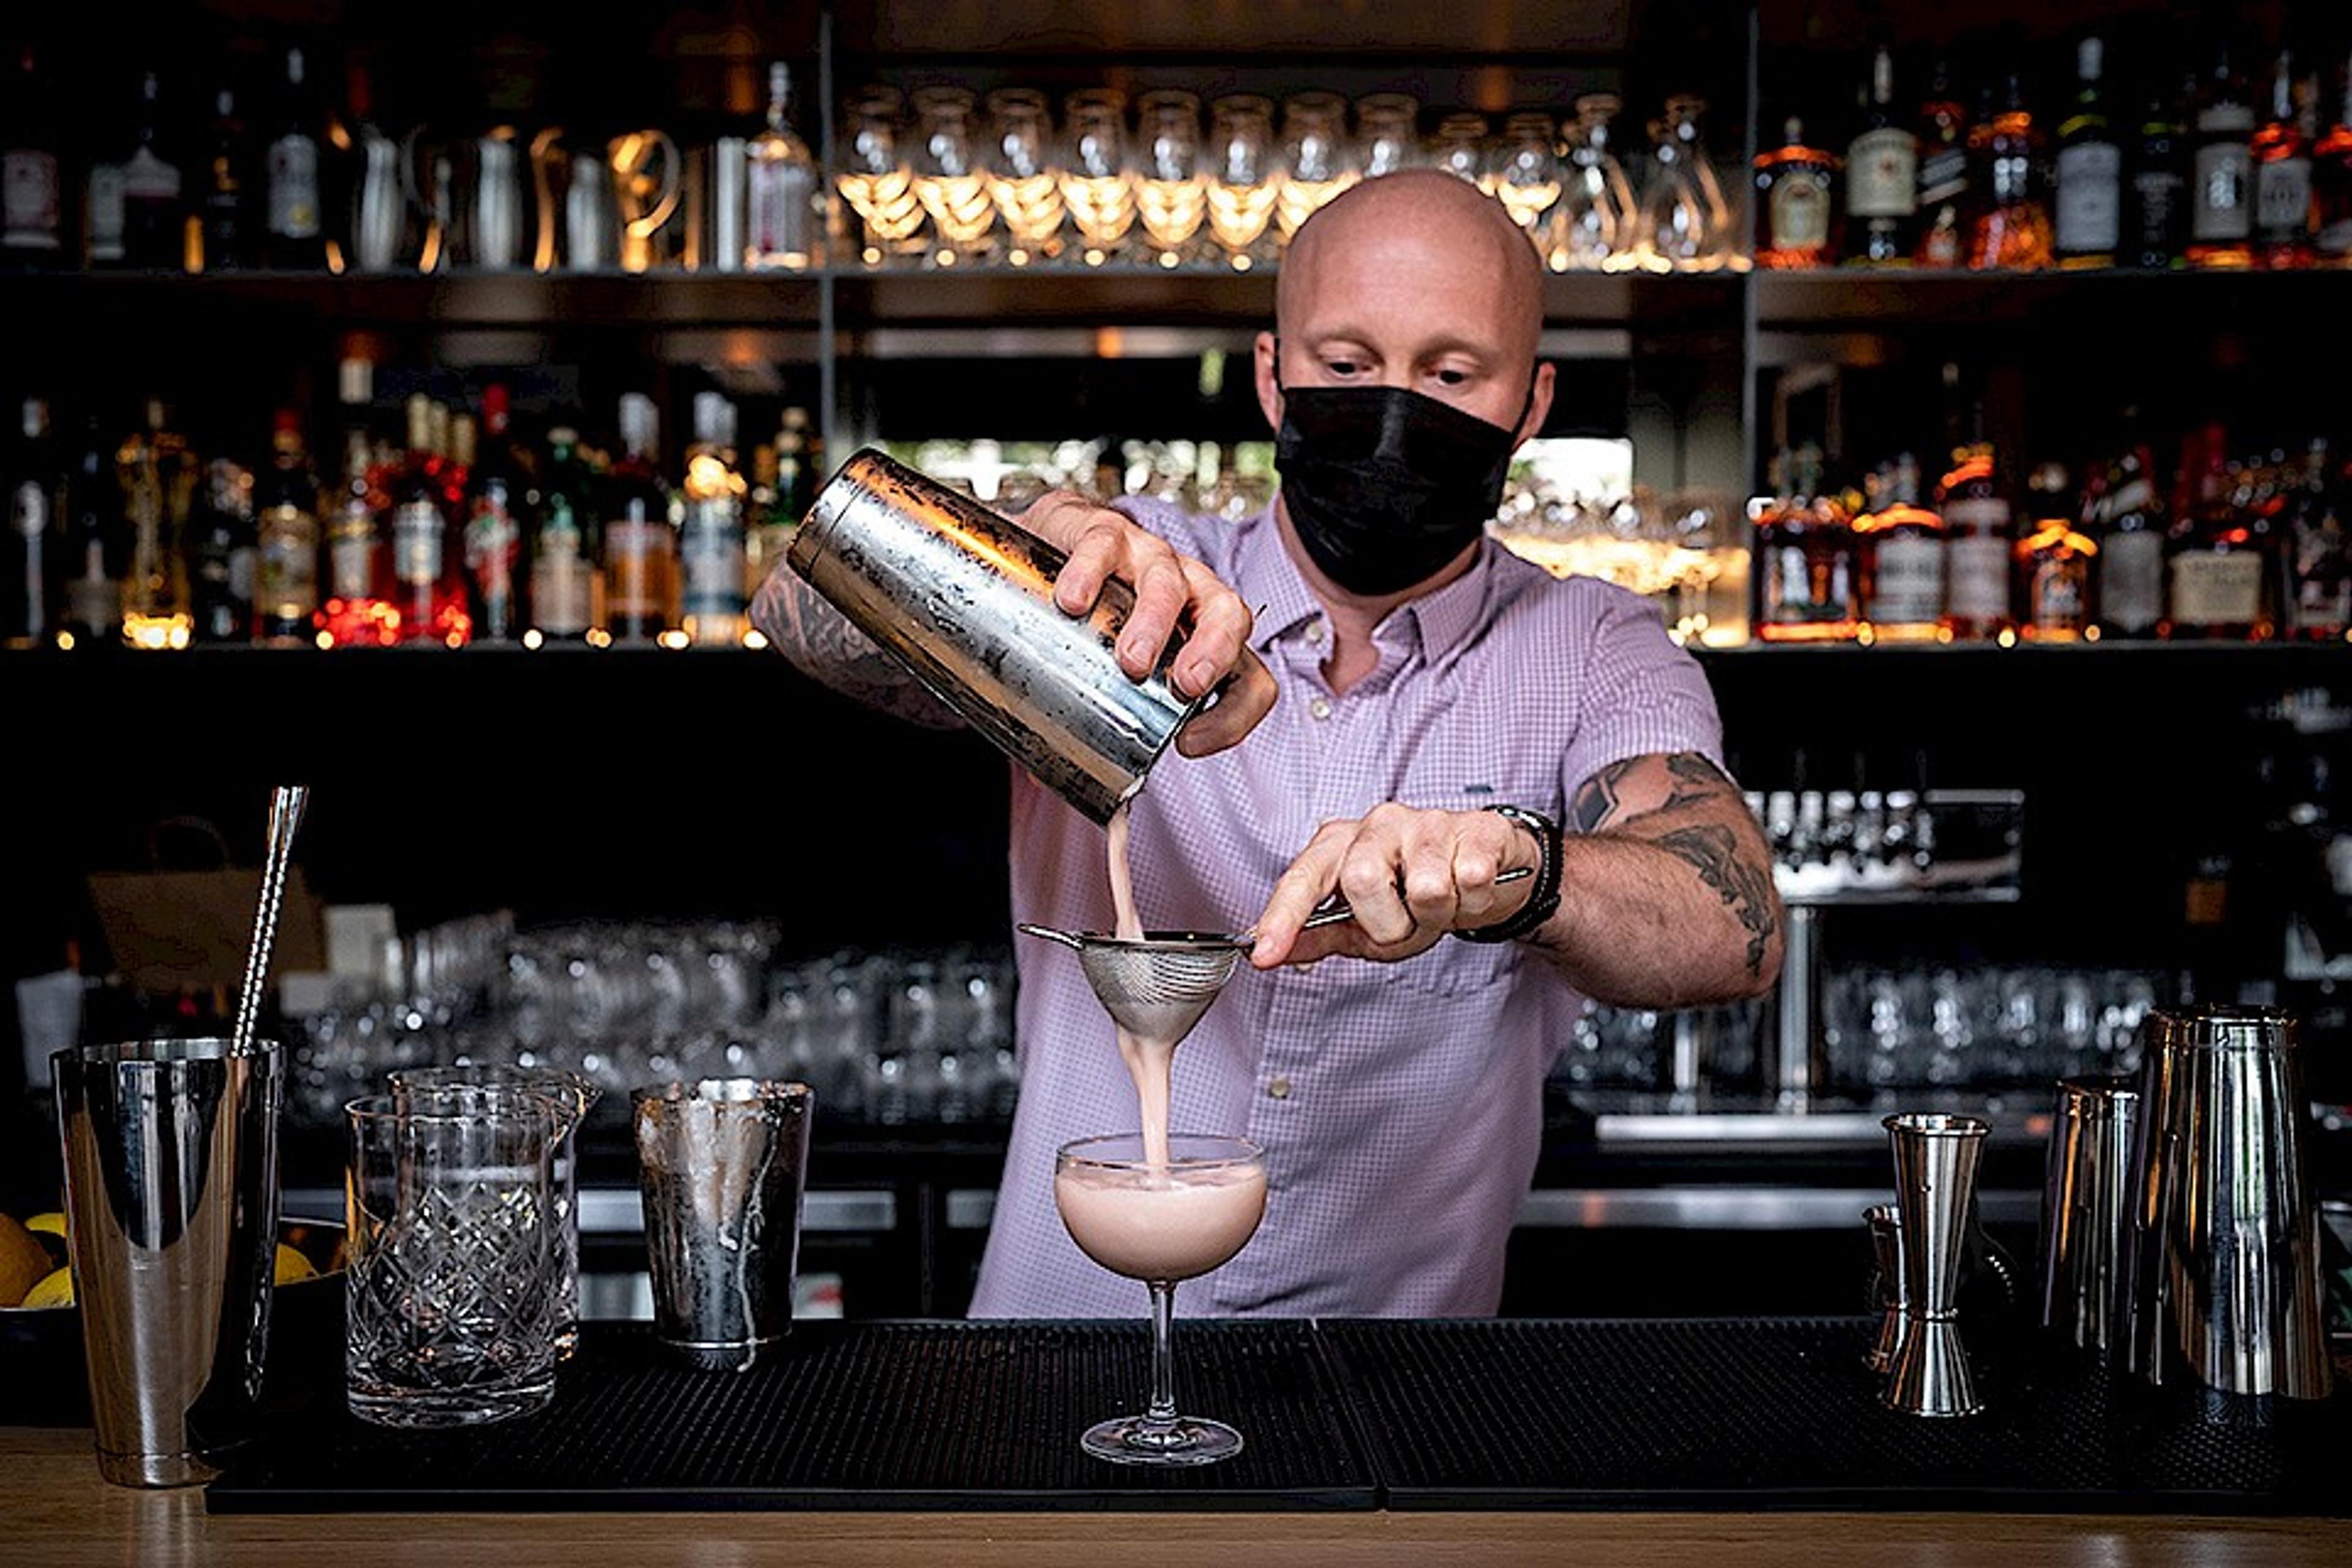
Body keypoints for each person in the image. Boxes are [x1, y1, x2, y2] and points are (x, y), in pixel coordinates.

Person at [752, 169, 1783, 1317]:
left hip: (1392, 1418)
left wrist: (1516, 868)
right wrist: (1018, 564)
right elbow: (794, 609)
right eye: (1345, 366)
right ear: (1271, 376)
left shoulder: (1593, 645)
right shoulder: (1125, 588)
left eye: (1451, 373)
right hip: (1055, 1362)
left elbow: (1727, 923)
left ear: (1531, 407)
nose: (1394, 409)